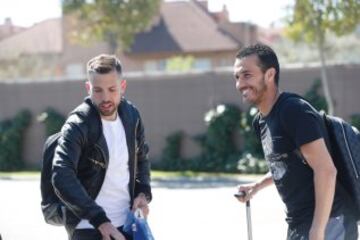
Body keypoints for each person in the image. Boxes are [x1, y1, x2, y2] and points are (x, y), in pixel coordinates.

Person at [233, 44, 358, 240]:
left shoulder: (293, 111)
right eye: (237, 77)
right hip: (299, 223)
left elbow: (325, 170)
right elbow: (284, 164)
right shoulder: (260, 122)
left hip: (330, 221)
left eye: (247, 75)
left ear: (269, 74)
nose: (240, 84)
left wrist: (318, 230)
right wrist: (256, 186)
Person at [52, 54, 152, 240]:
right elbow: (61, 175)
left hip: (127, 225)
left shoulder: (131, 115)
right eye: (97, 90)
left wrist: (143, 192)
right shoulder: (78, 125)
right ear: (88, 88)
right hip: (89, 226)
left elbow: (141, 158)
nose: (105, 97)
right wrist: (99, 220)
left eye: (112, 89)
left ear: (122, 87)